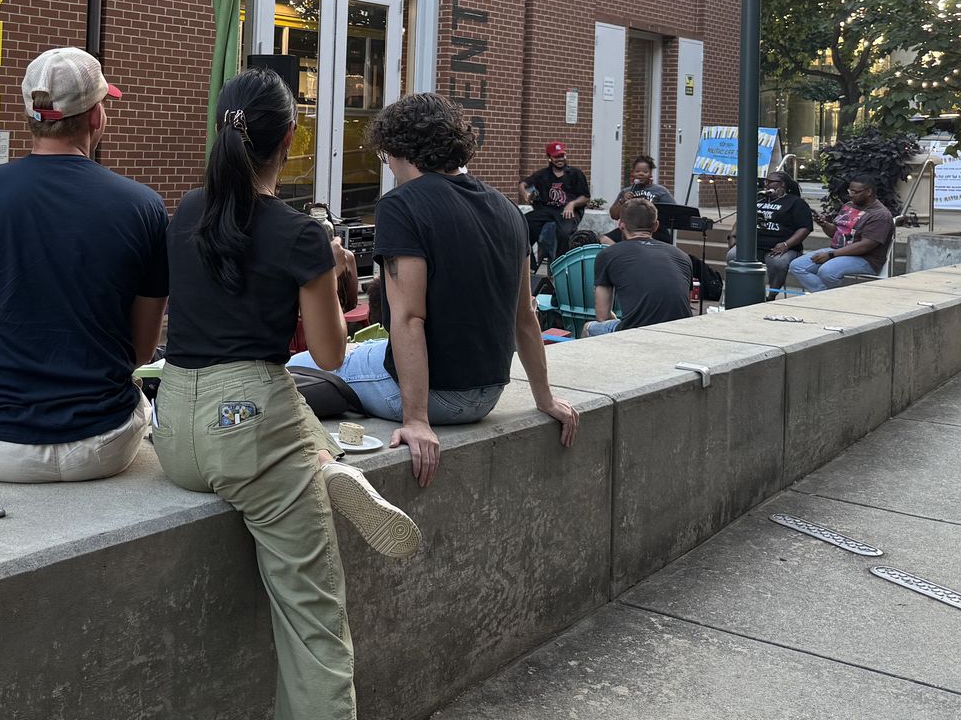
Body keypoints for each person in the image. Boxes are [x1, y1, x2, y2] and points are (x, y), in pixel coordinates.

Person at [155, 68, 419, 720]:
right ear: (291, 139)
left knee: (283, 406)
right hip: (250, 427)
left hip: (175, 421)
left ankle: (321, 463)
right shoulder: (301, 234)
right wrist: (334, 273)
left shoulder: (187, 212)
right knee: (316, 624)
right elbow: (331, 354)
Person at [0, 46, 168, 483]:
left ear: (30, 115)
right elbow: (141, 351)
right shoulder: (144, 207)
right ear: (96, 116)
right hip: (104, 443)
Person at [293, 94, 579, 488]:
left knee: (297, 367)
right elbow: (525, 316)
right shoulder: (508, 209)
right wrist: (544, 398)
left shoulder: (400, 205)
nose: (389, 166)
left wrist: (416, 420)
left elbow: (409, 316)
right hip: (489, 393)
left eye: (386, 156)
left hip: (436, 399)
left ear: (401, 149)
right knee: (367, 351)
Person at [583, 198, 695, 336]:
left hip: (639, 332)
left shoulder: (608, 254)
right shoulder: (682, 256)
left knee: (588, 328)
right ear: (656, 226)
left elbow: (602, 316)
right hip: (681, 332)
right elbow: (684, 303)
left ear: (621, 224)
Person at [789, 174, 895, 291]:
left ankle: (827, 297)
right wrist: (824, 224)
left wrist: (831, 255)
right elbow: (835, 233)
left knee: (827, 271)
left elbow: (865, 246)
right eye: (850, 191)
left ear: (868, 192)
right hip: (837, 251)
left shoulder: (880, 215)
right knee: (797, 266)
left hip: (865, 259)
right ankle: (825, 295)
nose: (851, 195)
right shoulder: (849, 206)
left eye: (855, 192)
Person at [725, 170, 813, 290]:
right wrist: (733, 235)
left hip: (781, 247)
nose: (766, 184)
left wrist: (786, 244)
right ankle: (743, 290)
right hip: (753, 245)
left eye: (771, 182)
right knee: (732, 255)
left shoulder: (796, 202)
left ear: (782, 184)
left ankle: (772, 294)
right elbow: (742, 217)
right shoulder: (758, 199)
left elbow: (805, 228)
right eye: (766, 181)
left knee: (778, 263)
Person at [523, 142, 590, 262]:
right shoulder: (542, 175)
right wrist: (526, 194)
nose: (560, 159)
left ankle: (560, 264)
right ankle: (530, 264)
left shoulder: (575, 174)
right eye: (556, 156)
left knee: (565, 234)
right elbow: (523, 184)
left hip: (567, 211)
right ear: (549, 157)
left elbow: (585, 197)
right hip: (546, 210)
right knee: (524, 224)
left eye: (562, 156)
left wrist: (572, 204)